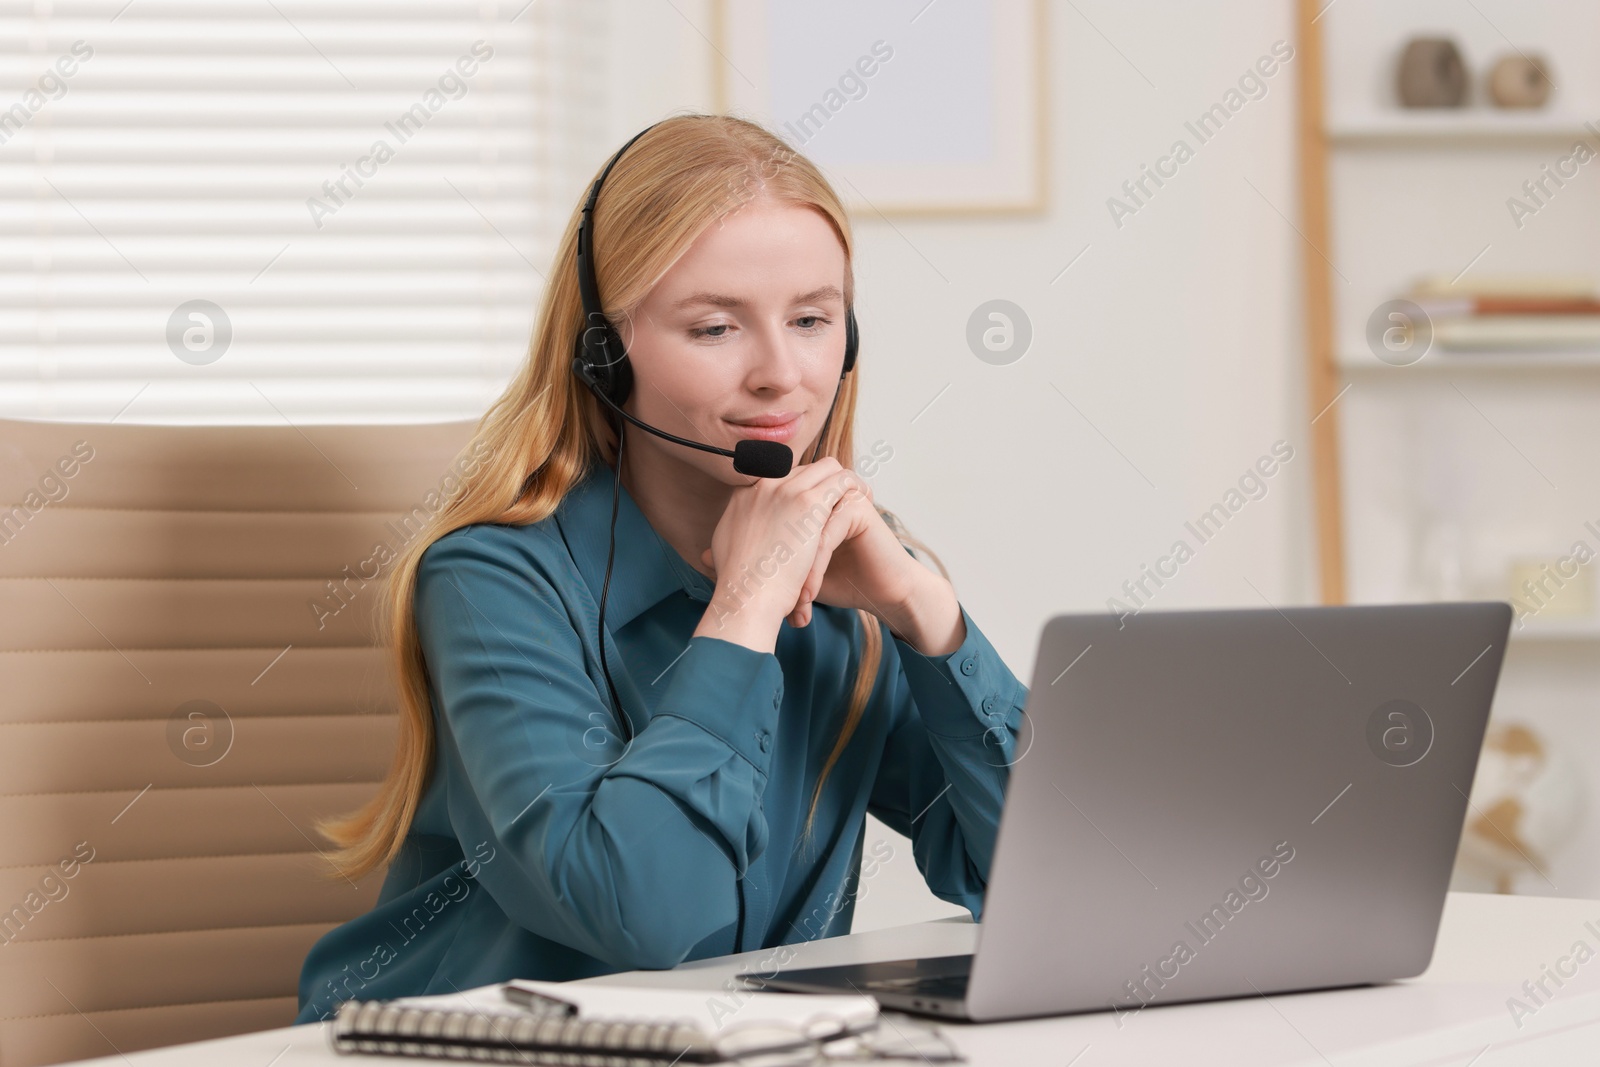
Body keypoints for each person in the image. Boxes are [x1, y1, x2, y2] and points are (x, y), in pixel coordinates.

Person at [293, 113, 1028, 1024]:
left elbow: (1045, 883)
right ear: (605, 355)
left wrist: (929, 616)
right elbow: (648, 919)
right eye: (715, 327)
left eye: (811, 318)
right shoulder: (491, 581)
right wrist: (745, 608)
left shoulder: (851, 580)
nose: (781, 374)